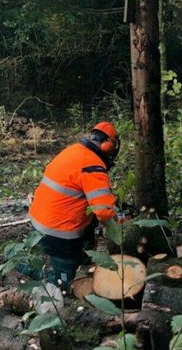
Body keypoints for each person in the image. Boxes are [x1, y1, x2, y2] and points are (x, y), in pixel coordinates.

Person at [27, 122, 121, 286]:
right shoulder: (92, 166)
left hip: (39, 223)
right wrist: (122, 221)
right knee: (66, 282)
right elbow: (104, 212)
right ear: (106, 145)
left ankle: (37, 268)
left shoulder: (74, 151)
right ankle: (56, 280)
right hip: (60, 233)